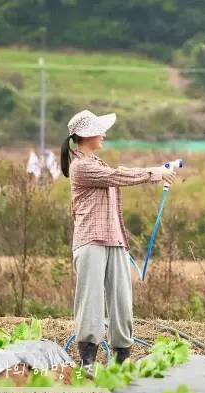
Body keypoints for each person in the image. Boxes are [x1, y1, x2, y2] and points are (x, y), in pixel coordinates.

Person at [60, 110, 177, 367]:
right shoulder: (81, 167)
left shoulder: (98, 163)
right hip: (91, 241)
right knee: (90, 302)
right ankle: (87, 362)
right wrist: (154, 172)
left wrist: (155, 172)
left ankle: (122, 358)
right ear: (86, 135)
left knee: (122, 302)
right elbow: (117, 177)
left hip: (115, 241)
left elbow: (114, 176)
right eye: (100, 130)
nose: (104, 133)